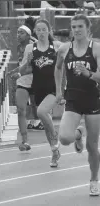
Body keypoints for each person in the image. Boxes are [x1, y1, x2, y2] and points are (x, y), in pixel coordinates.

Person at [55, 14, 100, 196]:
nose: (77, 30)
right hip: (72, 99)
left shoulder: (96, 49)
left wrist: (88, 73)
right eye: (74, 27)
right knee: (65, 138)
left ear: (88, 29)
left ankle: (94, 180)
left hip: (93, 99)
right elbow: (58, 69)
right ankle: (77, 133)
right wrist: (58, 90)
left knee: (92, 147)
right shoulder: (65, 49)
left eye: (80, 26)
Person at [19, 19, 62, 167]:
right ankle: (54, 151)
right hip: (38, 89)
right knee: (44, 119)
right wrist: (27, 62)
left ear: (49, 30)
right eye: (39, 30)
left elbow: (66, 65)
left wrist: (62, 89)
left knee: (42, 112)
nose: (42, 32)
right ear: (35, 32)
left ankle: (55, 138)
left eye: (44, 29)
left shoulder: (56, 46)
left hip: (53, 88)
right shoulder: (30, 48)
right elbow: (23, 71)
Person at [8, 17, 44, 151]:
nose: (18, 35)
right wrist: (15, 72)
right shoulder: (17, 48)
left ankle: (51, 137)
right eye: (17, 32)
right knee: (21, 110)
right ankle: (24, 140)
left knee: (39, 110)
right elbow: (21, 65)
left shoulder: (35, 45)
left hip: (36, 80)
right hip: (22, 81)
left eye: (21, 33)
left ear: (28, 35)